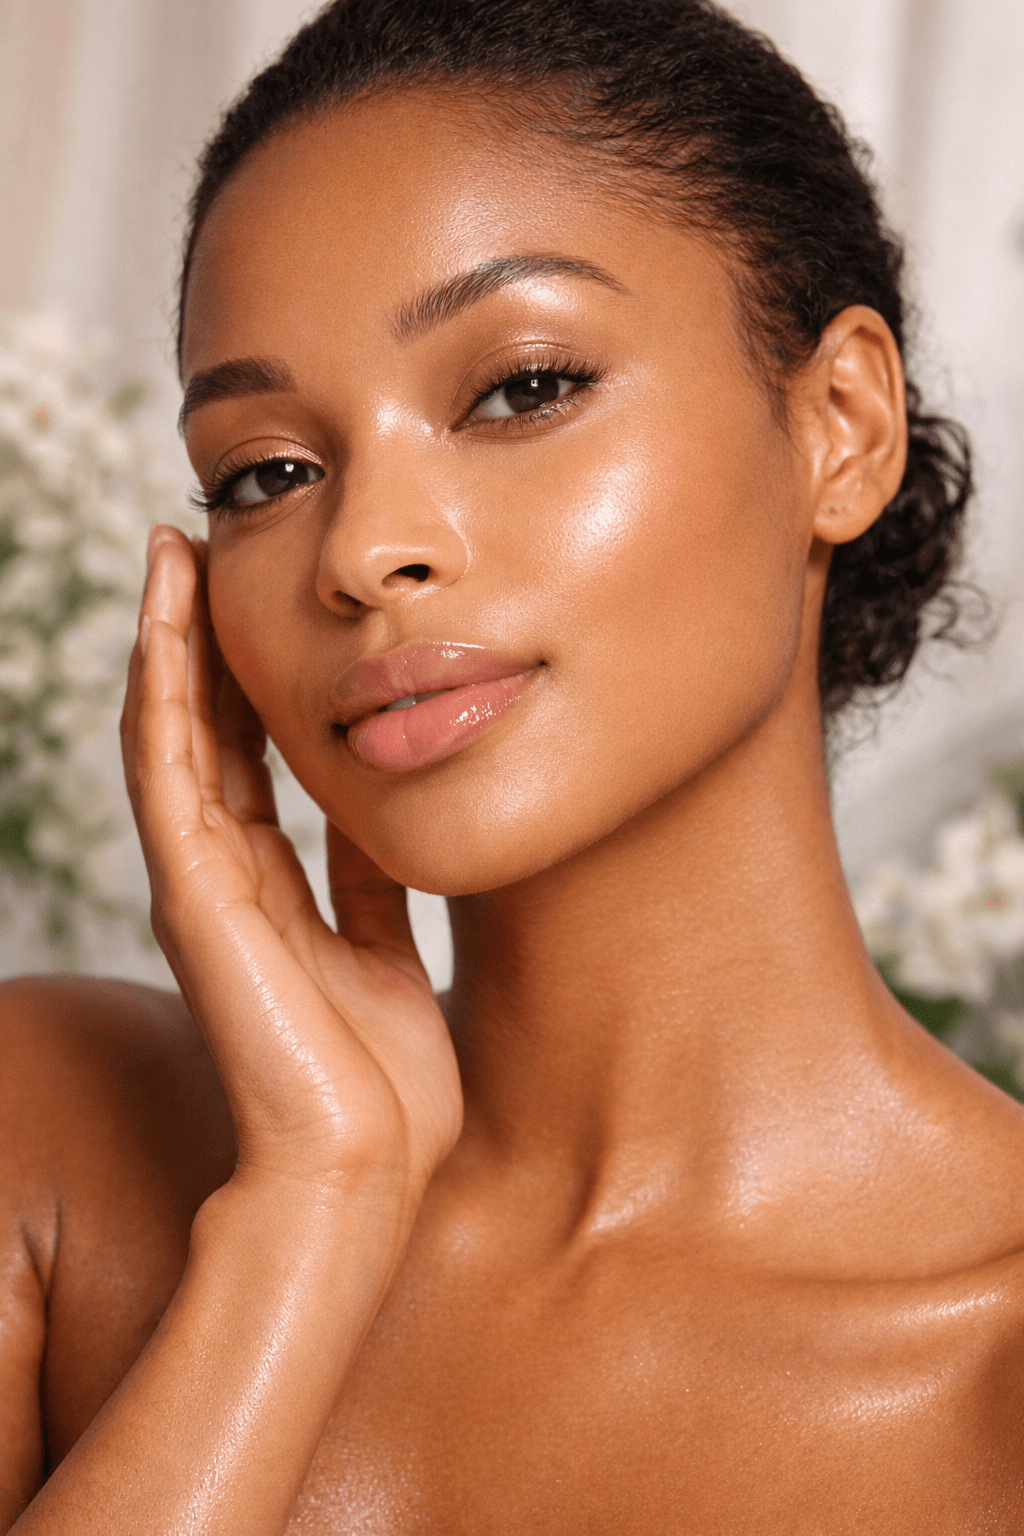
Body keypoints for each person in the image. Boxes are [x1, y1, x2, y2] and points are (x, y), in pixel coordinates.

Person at [2, 0, 1022, 1528]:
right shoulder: (52, 1138)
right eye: (265, 473)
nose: (362, 551)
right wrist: (314, 1212)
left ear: (841, 427)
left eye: (523, 388)